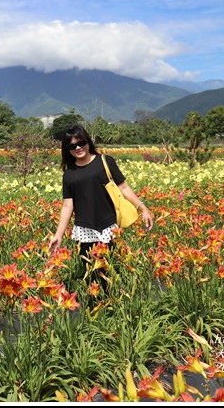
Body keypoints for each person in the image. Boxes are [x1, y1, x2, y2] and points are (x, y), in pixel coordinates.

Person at [48, 125, 153, 297]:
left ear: (87, 141)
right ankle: (98, 307)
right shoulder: (69, 174)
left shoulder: (105, 161)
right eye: (72, 146)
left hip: (107, 225)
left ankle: (114, 305)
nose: (78, 148)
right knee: (92, 275)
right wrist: (58, 235)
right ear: (67, 149)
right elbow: (68, 205)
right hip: (84, 229)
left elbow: (124, 187)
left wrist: (142, 208)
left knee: (111, 270)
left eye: (80, 142)